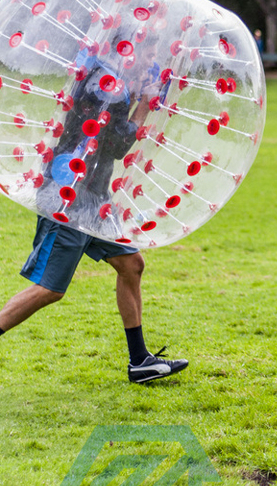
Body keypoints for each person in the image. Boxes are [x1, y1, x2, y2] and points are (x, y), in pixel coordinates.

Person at [1, 37, 188, 385]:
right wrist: (145, 105)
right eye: (148, 52)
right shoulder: (109, 90)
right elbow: (116, 146)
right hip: (69, 196)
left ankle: (140, 362)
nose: (152, 61)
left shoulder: (109, 80)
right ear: (127, 49)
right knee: (51, 290)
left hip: (93, 197)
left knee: (131, 264)